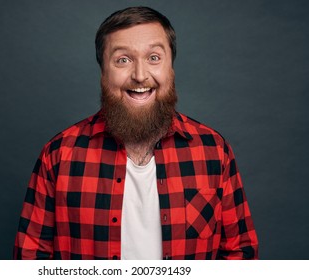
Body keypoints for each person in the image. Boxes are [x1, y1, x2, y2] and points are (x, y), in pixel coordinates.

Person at [13, 6, 258, 260]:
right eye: (123, 60)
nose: (140, 76)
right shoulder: (58, 156)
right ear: (102, 74)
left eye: (154, 58)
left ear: (171, 68)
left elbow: (240, 253)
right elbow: (30, 259)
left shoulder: (214, 152)